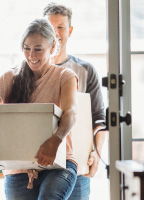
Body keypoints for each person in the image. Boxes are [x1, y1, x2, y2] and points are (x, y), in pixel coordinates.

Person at [0, 18, 80, 200]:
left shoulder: (64, 76)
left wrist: (55, 140)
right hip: (18, 167)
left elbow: (71, 113)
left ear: (52, 48)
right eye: (26, 48)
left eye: (38, 49)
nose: (31, 55)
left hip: (59, 163)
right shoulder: (10, 78)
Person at [43, 3, 107, 200]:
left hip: (77, 165)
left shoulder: (85, 71)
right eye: (50, 28)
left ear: (70, 31)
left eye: (61, 27)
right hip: (39, 164)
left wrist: (96, 153)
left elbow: (99, 119)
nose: (55, 33)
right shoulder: (31, 71)